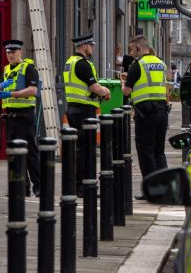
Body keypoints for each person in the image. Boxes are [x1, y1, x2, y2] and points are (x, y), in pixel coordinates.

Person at [120, 35, 168, 200]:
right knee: (159, 152)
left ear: (139, 49)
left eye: (132, 49)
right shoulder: (161, 63)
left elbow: (127, 91)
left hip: (146, 113)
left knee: (145, 151)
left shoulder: (137, 65)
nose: (131, 53)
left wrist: (122, 82)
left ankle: (150, 191)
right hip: (162, 112)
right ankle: (164, 188)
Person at [63, 32, 111, 197]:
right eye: (91, 45)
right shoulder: (83, 64)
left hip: (73, 109)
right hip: (84, 111)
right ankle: (84, 186)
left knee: (80, 149)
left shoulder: (70, 62)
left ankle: (78, 185)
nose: (92, 48)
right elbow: (94, 87)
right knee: (86, 150)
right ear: (84, 46)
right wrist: (105, 91)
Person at [0, 39, 40, 197]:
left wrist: (9, 93)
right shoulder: (6, 70)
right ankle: (20, 187)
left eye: (13, 52)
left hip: (25, 116)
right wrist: (0, 88)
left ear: (20, 51)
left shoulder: (29, 68)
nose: (10, 55)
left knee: (30, 153)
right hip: (11, 118)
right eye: (8, 52)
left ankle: (39, 187)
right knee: (14, 154)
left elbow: (33, 91)